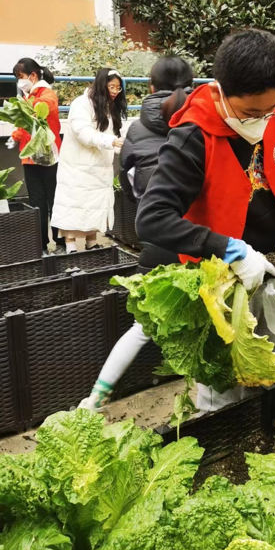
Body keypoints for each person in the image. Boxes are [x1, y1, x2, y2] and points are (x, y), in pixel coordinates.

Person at [79, 30, 275, 411]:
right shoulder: (193, 134)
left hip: (268, 266)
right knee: (224, 384)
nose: (261, 121)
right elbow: (153, 219)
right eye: (249, 113)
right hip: (216, 280)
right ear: (222, 91)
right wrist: (229, 249)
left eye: (269, 110)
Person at [78, 57, 194, 410]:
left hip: (156, 239)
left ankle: (95, 398)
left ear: (150, 87)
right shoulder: (202, 123)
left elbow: (128, 188)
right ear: (191, 84)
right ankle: (208, 403)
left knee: (143, 325)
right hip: (200, 239)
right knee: (213, 322)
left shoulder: (134, 131)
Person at [51, 68, 126, 253]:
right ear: (102, 85)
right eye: (111, 87)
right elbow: (82, 133)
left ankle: (92, 243)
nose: (116, 91)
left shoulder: (108, 105)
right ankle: (70, 246)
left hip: (99, 167)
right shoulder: (81, 103)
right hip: (77, 167)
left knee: (94, 207)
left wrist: (120, 145)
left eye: (118, 87)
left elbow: (112, 134)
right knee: (73, 205)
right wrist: (111, 142)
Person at [9, 58, 65, 255]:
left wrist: (24, 106)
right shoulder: (27, 96)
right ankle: (41, 246)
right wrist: (14, 137)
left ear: (33, 75)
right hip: (30, 158)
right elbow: (23, 126)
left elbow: (40, 110)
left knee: (54, 201)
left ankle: (59, 242)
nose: (20, 81)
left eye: (21, 77)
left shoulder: (47, 94)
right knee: (37, 203)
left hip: (49, 157)